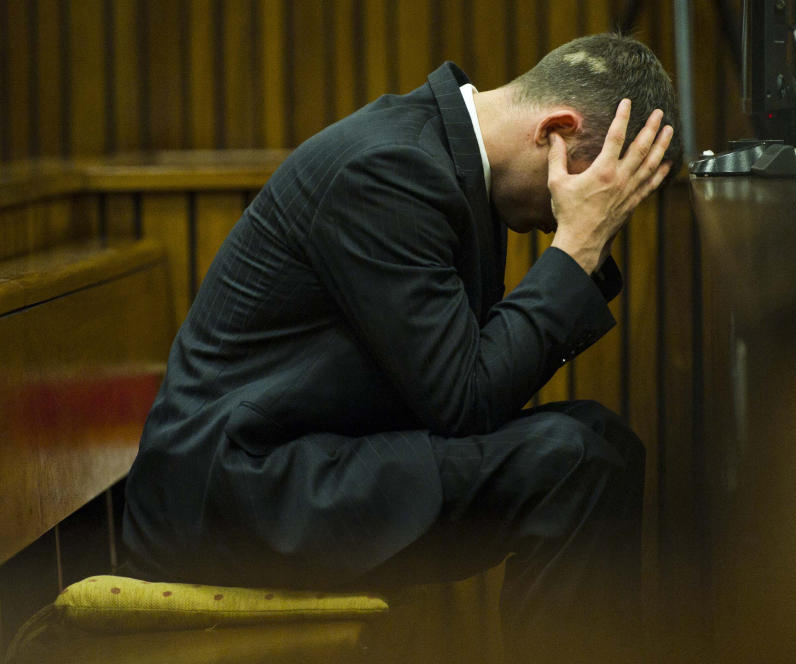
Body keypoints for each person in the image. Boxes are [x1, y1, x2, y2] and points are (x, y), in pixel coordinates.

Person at [122, 32, 679, 663]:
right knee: (577, 464)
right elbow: (465, 400)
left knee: (607, 442)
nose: (567, 216)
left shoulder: (447, 161)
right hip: (236, 496)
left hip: (306, 461)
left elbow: (463, 382)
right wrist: (576, 249)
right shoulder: (388, 170)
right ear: (554, 133)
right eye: (600, 191)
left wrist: (579, 246)